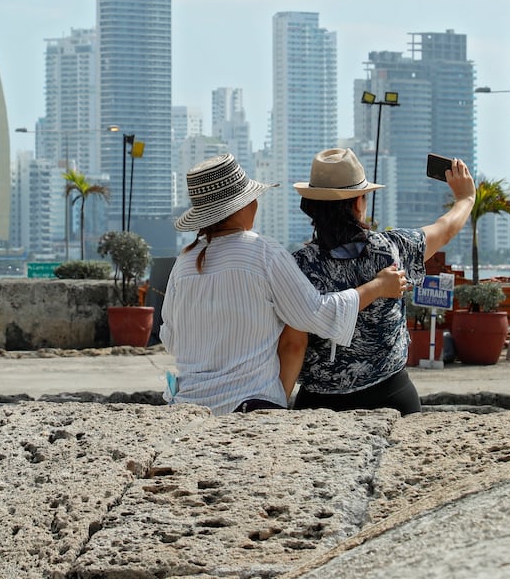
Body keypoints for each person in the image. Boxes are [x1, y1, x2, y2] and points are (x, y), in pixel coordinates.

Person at [159, 153, 409, 415]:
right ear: (243, 206)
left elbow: (172, 341)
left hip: (188, 408)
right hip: (247, 406)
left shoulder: (184, 262)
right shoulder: (262, 252)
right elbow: (317, 315)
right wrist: (378, 286)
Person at [284, 147, 475, 415]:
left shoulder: (299, 265)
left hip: (319, 402)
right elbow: (445, 229)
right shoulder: (391, 249)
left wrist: (278, 405)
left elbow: (293, 345)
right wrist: (465, 198)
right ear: (358, 202)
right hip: (391, 394)